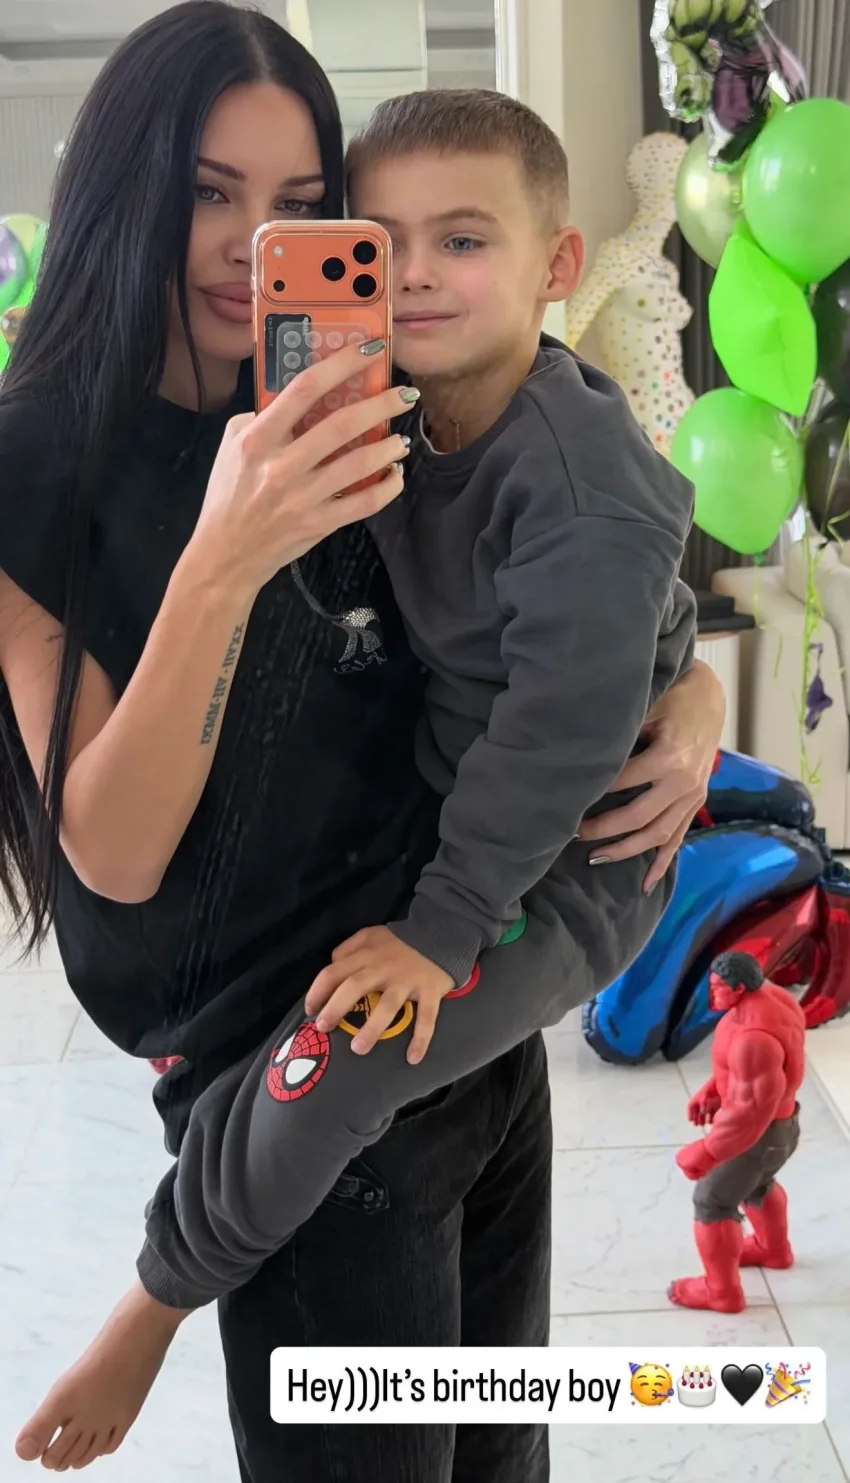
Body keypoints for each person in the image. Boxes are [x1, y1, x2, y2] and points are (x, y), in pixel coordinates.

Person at [0, 6, 723, 1480]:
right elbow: (114, 851)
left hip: (466, 1027)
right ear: (123, 189)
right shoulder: (29, 467)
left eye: (299, 202)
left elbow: (567, 566)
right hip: (296, 1112)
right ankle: (154, 1300)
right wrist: (227, 551)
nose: (250, 243)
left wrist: (688, 690)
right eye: (210, 192)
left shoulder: (370, 391)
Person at [669, 949, 805, 1314]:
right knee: (757, 1185)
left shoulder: (753, 1040)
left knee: (712, 1202)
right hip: (783, 1128)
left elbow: (749, 1113)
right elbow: (759, 1074)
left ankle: (721, 1292)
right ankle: (774, 1250)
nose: (711, 994)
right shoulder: (775, 999)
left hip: (757, 1136)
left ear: (740, 987)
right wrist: (715, 1088)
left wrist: (707, 1151)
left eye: (718, 988)